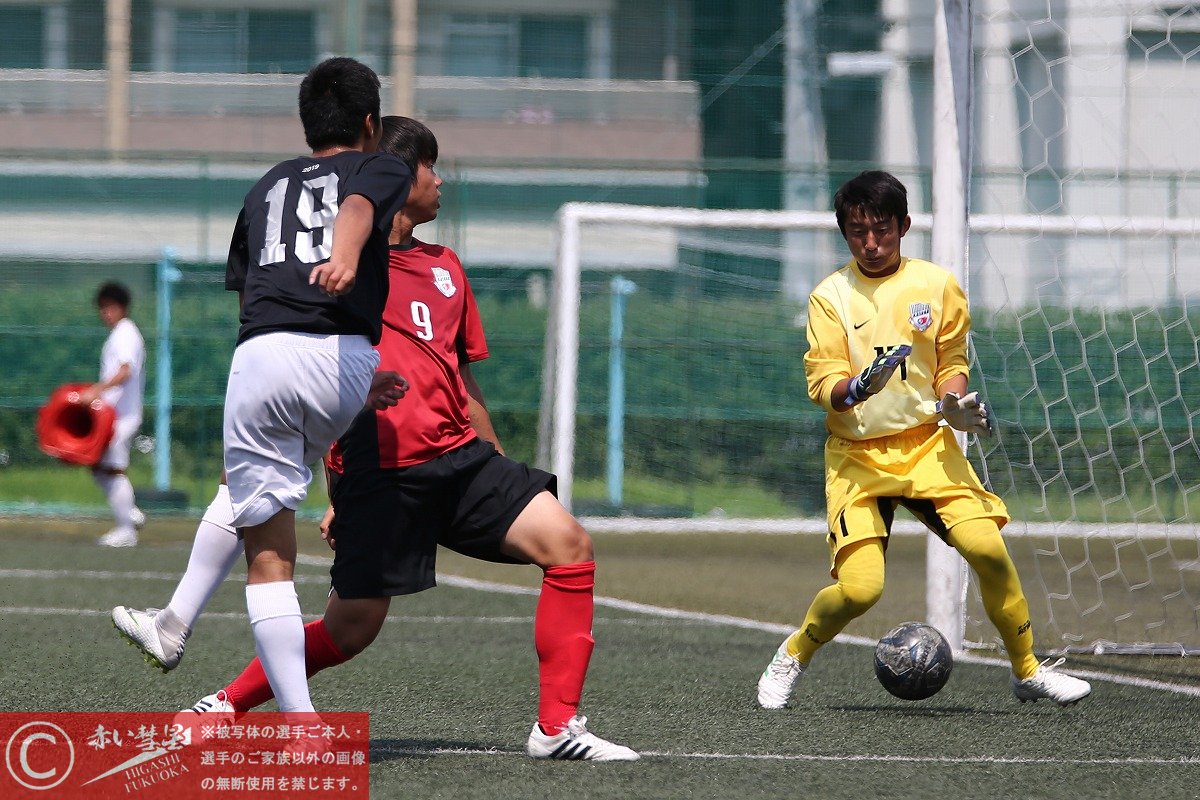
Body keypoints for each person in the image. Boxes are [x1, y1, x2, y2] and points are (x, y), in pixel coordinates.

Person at [116, 116, 637, 761]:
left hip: (460, 461)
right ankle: (225, 705)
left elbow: (461, 376)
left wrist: (495, 459)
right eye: (429, 167)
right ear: (397, 175)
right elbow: (315, 379)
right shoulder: (342, 269)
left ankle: (556, 728)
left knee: (570, 546)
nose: (440, 180)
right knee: (352, 628)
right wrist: (339, 482)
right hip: (377, 472)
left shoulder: (447, 266)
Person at [756, 170, 1092, 710]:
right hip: (857, 459)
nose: (871, 242)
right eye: (857, 232)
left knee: (989, 550)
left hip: (925, 447)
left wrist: (954, 405)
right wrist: (859, 387)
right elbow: (824, 386)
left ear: (905, 225)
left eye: (882, 229)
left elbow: (951, 361)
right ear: (843, 233)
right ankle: (793, 653)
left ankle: (1028, 670)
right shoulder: (830, 297)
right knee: (861, 589)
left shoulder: (936, 285)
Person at [213, 56, 411, 720]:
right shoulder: (379, 163)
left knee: (265, 549)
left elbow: (250, 288)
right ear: (369, 122)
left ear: (306, 124)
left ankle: (297, 722)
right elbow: (356, 205)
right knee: (302, 454)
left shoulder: (264, 185)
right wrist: (348, 256)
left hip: (262, 354)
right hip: (343, 361)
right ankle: (175, 618)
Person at [80, 282, 147, 548]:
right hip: (112, 416)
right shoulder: (119, 333)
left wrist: (96, 391)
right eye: (102, 308)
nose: (105, 313)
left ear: (123, 308)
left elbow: (125, 370)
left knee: (113, 470)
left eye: (110, 307)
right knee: (99, 469)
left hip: (122, 416)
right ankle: (129, 512)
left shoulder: (125, 333)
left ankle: (126, 530)